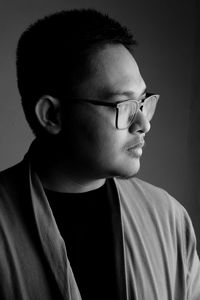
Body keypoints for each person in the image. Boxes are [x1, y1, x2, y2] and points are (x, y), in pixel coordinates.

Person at [0, 8, 199, 300]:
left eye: (143, 102)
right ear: (51, 115)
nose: (143, 123)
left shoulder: (168, 217)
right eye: (123, 106)